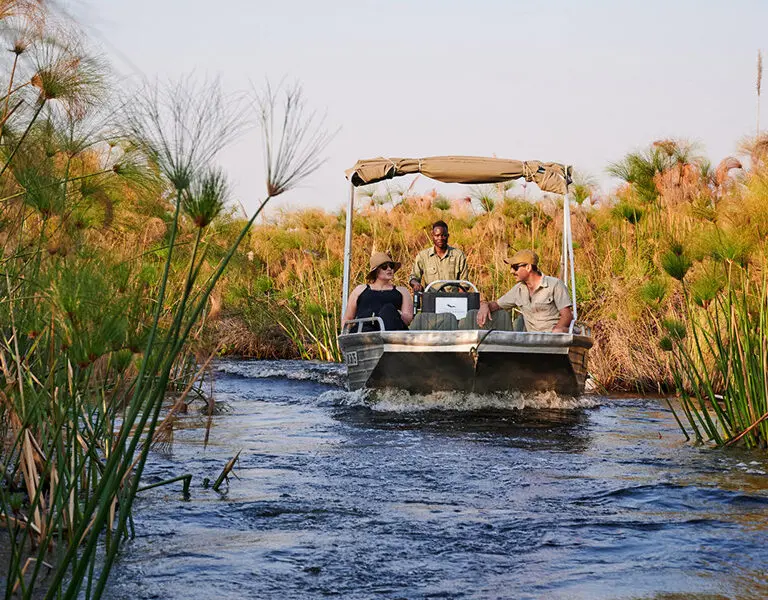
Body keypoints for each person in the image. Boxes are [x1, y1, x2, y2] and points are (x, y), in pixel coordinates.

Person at [476, 249, 573, 333]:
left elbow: (567, 315)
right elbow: (497, 305)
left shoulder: (554, 284)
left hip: (554, 341)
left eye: (515, 267)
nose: (511, 272)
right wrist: (484, 305)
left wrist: (556, 331)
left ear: (528, 267)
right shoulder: (518, 289)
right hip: (532, 343)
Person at [343, 251, 414, 331]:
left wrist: (394, 314)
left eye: (391, 266)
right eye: (384, 267)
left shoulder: (402, 291)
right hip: (365, 333)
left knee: (388, 309)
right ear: (376, 271)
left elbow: (408, 318)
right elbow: (348, 318)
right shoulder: (360, 290)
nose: (389, 269)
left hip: (392, 332)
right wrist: (344, 336)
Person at [408, 220, 469, 293]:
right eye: (437, 235)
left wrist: (458, 299)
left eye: (443, 235)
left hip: (453, 299)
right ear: (432, 236)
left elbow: (464, 283)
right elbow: (413, 277)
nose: (440, 238)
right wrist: (416, 284)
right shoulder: (423, 256)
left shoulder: (459, 255)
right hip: (431, 299)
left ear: (448, 236)